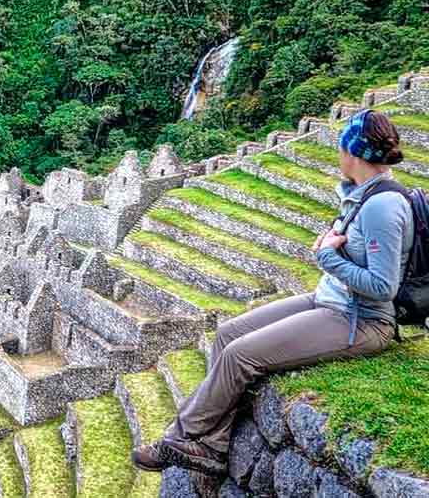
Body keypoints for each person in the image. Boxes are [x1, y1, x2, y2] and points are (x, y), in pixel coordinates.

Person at [131, 110, 413, 476]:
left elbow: (383, 286)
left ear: (353, 154)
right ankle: (213, 446)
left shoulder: (382, 206)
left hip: (361, 320)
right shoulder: (363, 195)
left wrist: (327, 256)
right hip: (330, 300)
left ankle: (180, 438)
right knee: (226, 334)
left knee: (239, 356)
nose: (337, 157)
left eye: (341, 149)